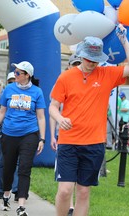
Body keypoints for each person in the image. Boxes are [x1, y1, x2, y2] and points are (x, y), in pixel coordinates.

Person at [49, 24, 129, 216]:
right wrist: (60, 118)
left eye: (96, 60)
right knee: (65, 191)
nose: (92, 63)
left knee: (83, 191)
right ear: (81, 55)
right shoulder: (66, 77)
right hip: (69, 142)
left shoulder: (107, 74)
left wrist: (124, 40)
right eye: (89, 59)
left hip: (94, 143)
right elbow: (53, 106)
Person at [0, 61, 46, 216]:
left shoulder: (37, 92)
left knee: (24, 168)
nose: (15, 74)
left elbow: (41, 117)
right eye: (15, 72)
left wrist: (42, 138)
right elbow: (1, 112)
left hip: (29, 134)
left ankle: (21, 205)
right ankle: (6, 195)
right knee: (8, 167)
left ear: (27, 75)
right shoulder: (9, 89)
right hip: (9, 134)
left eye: (19, 73)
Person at [50, 53, 81, 216]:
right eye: (74, 64)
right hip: (64, 136)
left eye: (79, 63)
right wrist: (52, 135)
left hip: (83, 137)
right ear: (68, 66)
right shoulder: (62, 82)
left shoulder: (85, 82)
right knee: (65, 180)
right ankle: (68, 206)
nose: (76, 67)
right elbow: (53, 110)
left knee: (78, 179)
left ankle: (73, 206)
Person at [0, 71, 19, 201]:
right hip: (3, 130)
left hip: (19, 132)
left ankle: (16, 189)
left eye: (15, 80)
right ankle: (1, 188)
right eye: (10, 81)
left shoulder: (24, 94)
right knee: (2, 160)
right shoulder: (4, 93)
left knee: (18, 161)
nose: (13, 83)